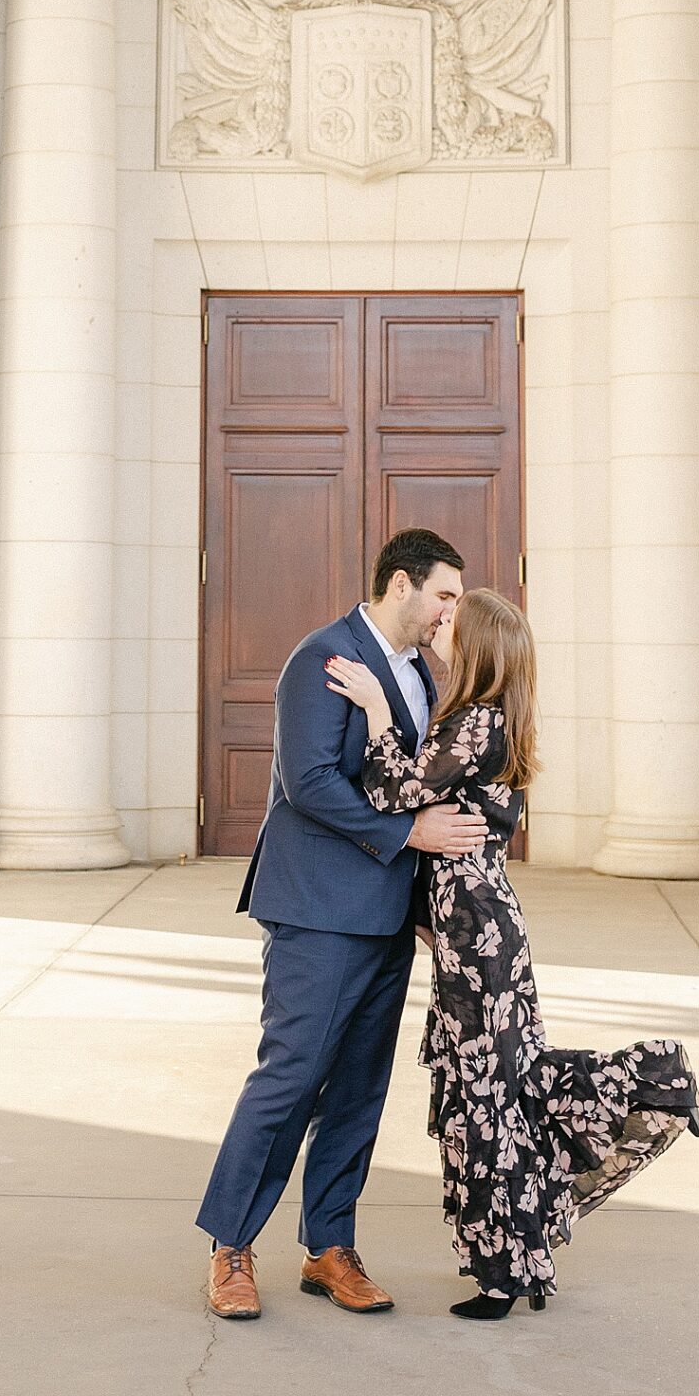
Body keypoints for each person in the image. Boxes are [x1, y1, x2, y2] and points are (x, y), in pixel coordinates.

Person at [326, 585, 699, 1319]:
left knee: (490, 1099)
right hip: (476, 933)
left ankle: (506, 1272)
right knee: (497, 1091)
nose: (441, 620)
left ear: (474, 650)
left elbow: (388, 790)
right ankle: (512, 1262)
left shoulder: (473, 722)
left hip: (478, 939)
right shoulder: (483, 723)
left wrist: (374, 708)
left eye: (452, 620)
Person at [197, 528, 486, 1321]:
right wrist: (407, 837)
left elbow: (415, 781)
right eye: (443, 596)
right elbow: (309, 782)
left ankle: (329, 1248)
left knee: (359, 1090)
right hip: (317, 910)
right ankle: (230, 1247)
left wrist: (427, 898)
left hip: (386, 913)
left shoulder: (421, 675)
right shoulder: (319, 657)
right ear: (401, 584)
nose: (448, 613)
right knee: (289, 1080)